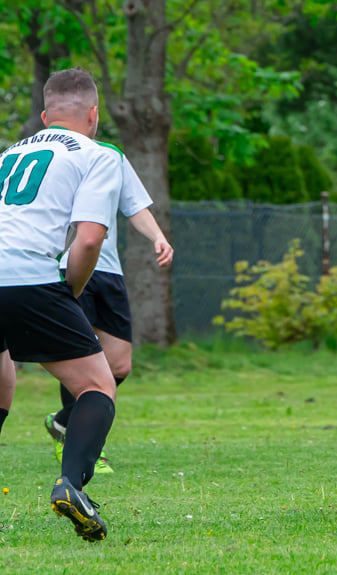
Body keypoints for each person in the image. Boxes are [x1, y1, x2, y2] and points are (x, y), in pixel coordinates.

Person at [0, 67, 122, 541]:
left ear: (46, 116)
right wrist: (67, 294)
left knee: (2, 385)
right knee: (97, 384)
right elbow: (88, 240)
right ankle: (72, 485)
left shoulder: (10, 153)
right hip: (28, 276)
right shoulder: (97, 155)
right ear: (94, 115)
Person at [44, 158, 174, 473]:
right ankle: (77, 443)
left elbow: (134, 204)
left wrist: (157, 236)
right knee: (82, 353)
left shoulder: (109, 155)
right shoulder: (52, 151)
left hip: (108, 269)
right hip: (67, 264)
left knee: (119, 364)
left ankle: (62, 421)